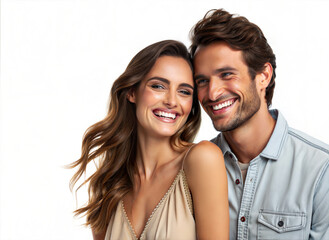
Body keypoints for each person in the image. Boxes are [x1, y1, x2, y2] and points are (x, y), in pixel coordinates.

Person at [190, 9, 329, 240]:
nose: (212, 93)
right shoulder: (192, 167)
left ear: (263, 76)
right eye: (202, 80)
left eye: (227, 74)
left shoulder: (326, 171)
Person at [69, 40, 229, 240]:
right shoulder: (108, 185)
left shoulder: (202, 159)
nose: (172, 101)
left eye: (184, 91)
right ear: (132, 92)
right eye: (158, 86)